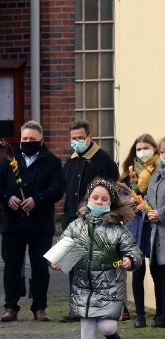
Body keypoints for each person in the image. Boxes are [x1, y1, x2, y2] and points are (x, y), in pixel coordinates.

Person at [49, 179, 141, 339]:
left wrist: (130, 260)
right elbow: (63, 247)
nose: (99, 202)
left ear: (111, 202)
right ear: (88, 199)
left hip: (109, 285)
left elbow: (133, 250)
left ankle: (112, 335)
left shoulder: (118, 230)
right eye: (95, 198)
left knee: (107, 326)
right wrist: (58, 262)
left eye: (104, 199)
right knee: (87, 327)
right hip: (83, 285)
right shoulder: (77, 225)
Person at [0, 120, 64, 322]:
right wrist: (8, 198)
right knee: (12, 265)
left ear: (41, 140)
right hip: (13, 223)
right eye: (24, 138)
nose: (27, 142)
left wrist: (37, 199)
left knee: (40, 266)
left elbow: (57, 189)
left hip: (40, 223)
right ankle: (11, 306)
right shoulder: (9, 160)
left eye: (32, 139)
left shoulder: (52, 161)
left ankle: (39, 307)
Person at [60, 120, 119, 322]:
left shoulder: (103, 160)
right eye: (73, 138)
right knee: (74, 266)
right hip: (73, 220)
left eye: (80, 137)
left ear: (89, 137)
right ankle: (75, 308)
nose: (76, 141)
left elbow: (113, 190)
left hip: (95, 222)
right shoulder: (71, 161)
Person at [119, 134, 159, 327]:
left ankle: (160, 313)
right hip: (135, 225)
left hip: (153, 224)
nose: (142, 152)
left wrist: (147, 205)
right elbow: (121, 197)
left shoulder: (158, 170)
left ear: (155, 149)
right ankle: (140, 315)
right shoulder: (129, 173)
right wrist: (130, 204)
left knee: (157, 271)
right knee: (137, 270)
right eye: (139, 149)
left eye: (146, 148)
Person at [144, 137, 165, 329]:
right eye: (163, 152)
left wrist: (161, 213)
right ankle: (160, 314)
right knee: (157, 275)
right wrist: (148, 212)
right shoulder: (157, 175)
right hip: (156, 235)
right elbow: (147, 200)